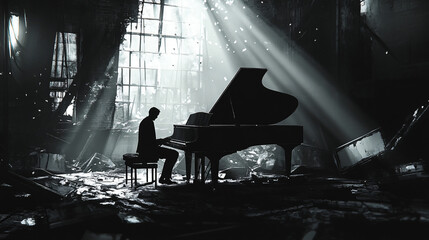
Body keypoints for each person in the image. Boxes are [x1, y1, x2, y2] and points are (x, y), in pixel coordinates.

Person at [137, 107, 178, 184]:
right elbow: (150, 142)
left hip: (145, 149)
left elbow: (150, 140)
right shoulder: (148, 123)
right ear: (152, 113)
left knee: (172, 154)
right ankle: (165, 178)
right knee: (174, 154)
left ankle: (164, 177)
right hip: (148, 151)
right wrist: (163, 140)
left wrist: (162, 140)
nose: (157, 117)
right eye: (156, 115)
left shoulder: (146, 121)